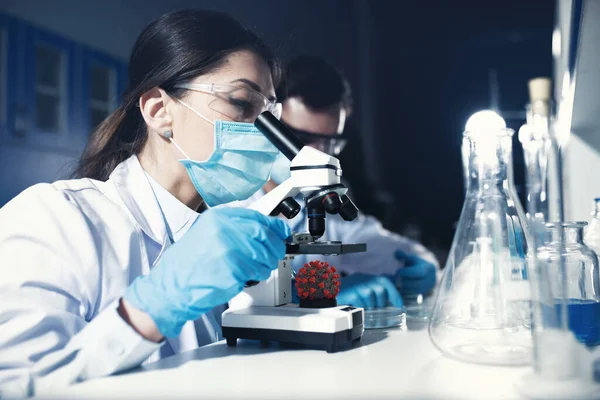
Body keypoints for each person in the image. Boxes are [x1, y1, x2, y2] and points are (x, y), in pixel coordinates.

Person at [0, 10, 291, 397]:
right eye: (241, 103)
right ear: (158, 111)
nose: (262, 133)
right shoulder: (54, 219)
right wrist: (148, 310)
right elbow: (16, 386)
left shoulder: (227, 234)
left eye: (269, 115)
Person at [234, 56, 439, 309]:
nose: (317, 153)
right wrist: (313, 303)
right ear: (270, 121)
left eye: (329, 143)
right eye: (301, 137)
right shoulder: (230, 202)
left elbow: (384, 246)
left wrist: (422, 265)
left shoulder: (317, 198)